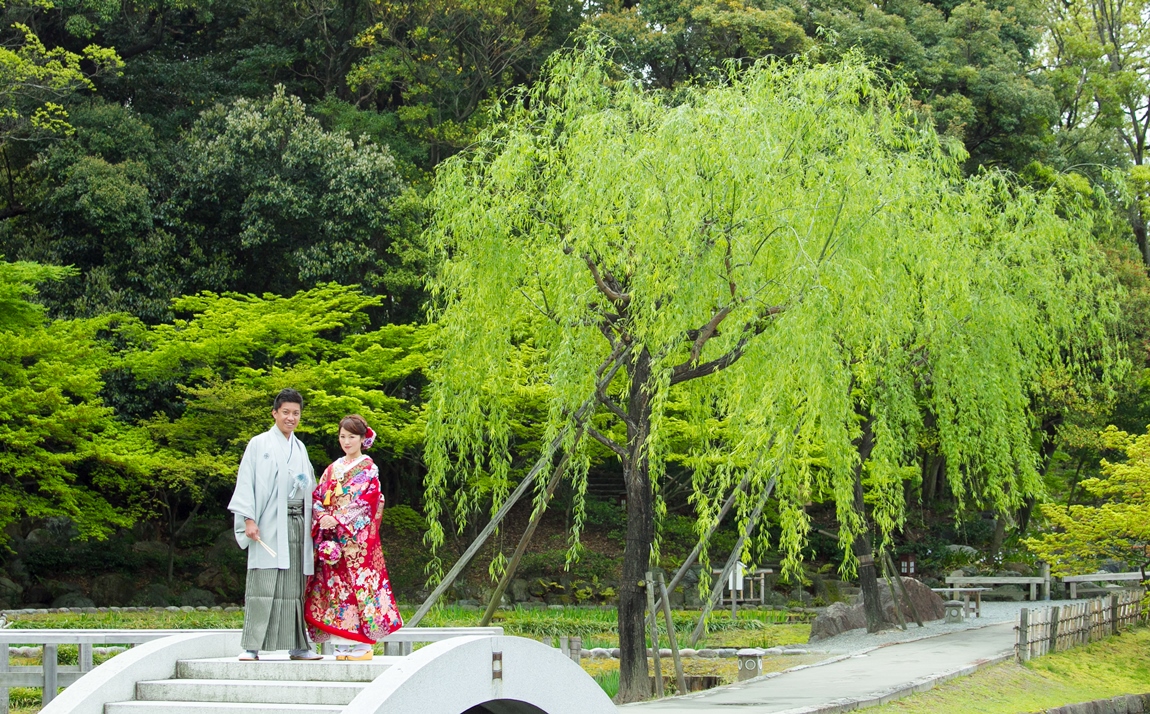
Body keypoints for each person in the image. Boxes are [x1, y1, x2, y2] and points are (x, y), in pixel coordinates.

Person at [227, 388, 321, 661]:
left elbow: (311, 487)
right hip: (267, 525)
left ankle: (299, 646)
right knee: (264, 584)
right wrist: (249, 519)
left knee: (294, 587)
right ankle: (251, 647)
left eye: (296, 413)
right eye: (286, 412)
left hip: (297, 524)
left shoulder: (300, 447)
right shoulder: (259, 444)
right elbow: (246, 482)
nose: (291, 418)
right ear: (275, 413)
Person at [304, 414, 403, 660]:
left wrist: (337, 519)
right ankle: (342, 643)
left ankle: (363, 645)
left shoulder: (369, 468)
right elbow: (318, 497)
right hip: (333, 540)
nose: (346, 442)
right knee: (336, 589)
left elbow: (368, 502)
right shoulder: (332, 468)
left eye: (351, 437)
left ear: (362, 439)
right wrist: (323, 517)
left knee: (359, 588)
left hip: (356, 541)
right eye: (342, 436)